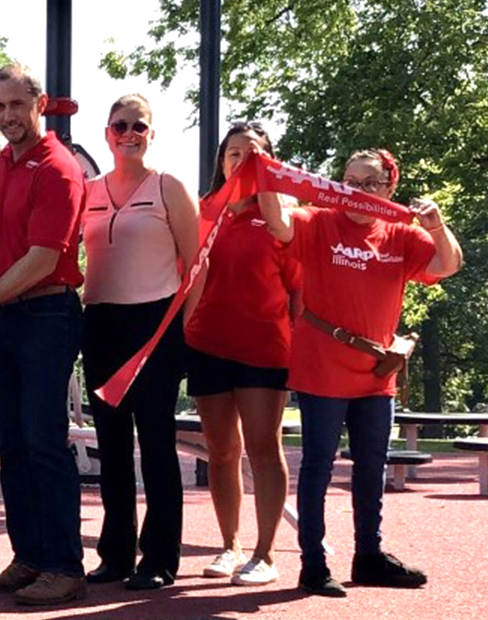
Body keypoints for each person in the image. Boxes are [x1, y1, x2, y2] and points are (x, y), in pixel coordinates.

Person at [270, 148, 463, 596]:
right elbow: (280, 223)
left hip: (376, 371)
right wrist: (267, 179)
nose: (356, 192)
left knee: (371, 467)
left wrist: (435, 225)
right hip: (321, 367)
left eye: (368, 184)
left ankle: (368, 555)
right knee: (318, 465)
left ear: (389, 188)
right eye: (349, 182)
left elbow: (447, 264)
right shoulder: (318, 221)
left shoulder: (399, 233)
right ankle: (313, 564)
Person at [0, 64, 88, 607]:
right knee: (13, 444)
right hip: (6, 318)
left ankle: (63, 565)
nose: (6, 117)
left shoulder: (57, 168)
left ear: (40, 103)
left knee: (42, 441)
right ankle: (29, 556)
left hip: (47, 315)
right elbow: (0, 252)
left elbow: (43, 259)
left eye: (15, 105)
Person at [78, 95, 199, 591]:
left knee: (155, 443)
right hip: (101, 323)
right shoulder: (87, 191)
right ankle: (116, 553)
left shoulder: (168, 186)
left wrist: (181, 331)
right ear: (106, 132)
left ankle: (160, 557)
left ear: (152, 134)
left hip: (156, 325)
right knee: (111, 444)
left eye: (139, 127)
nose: (129, 133)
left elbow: (197, 266)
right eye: (120, 125)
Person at [181, 122, 297, 586]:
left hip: (264, 346)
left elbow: (299, 288)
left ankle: (265, 554)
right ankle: (230, 545)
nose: (242, 160)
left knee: (264, 447)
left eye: (254, 153)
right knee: (221, 451)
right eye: (233, 154)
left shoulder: (285, 216)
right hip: (207, 343)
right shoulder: (203, 210)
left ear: (269, 160)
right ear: (221, 162)